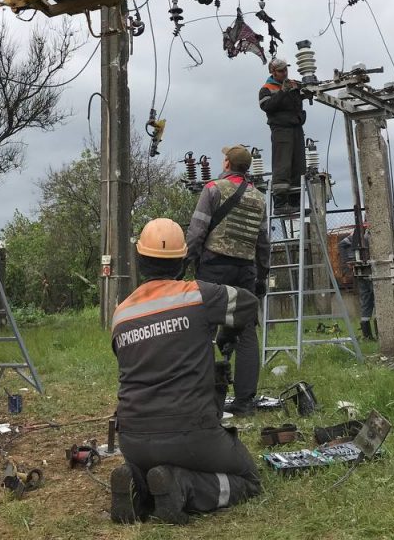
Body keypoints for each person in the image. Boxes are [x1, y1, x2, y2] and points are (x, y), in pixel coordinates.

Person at [110, 218, 262, 525]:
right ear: (183, 261)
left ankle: (138, 486)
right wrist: (224, 334)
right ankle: (181, 485)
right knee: (249, 480)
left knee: (152, 463)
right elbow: (248, 304)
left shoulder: (121, 313)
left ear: (140, 261)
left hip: (133, 438)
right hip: (192, 432)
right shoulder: (200, 296)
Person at [184, 145, 269, 417]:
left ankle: (202, 398)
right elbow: (263, 242)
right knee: (246, 333)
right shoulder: (259, 197)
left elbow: (197, 231)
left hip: (214, 267)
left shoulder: (213, 189)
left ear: (227, 162)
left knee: (203, 330)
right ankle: (244, 403)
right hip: (245, 269)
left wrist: (186, 262)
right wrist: (263, 275)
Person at [258, 57, 306, 209]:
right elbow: (268, 106)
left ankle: (295, 202)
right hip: (281, 130)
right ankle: (280, 203)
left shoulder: (291, 84)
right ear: (273, 72)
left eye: (286, 69)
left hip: (296, 128)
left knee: (298, 165)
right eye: (281, 71)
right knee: (282, 164)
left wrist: (301, 89)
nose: (285, 73)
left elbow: (298, 102)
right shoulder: (266, 89)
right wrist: (283, 92)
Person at [338, 226, 375, 341]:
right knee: (377, 299)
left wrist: (348, 261)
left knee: (365, 300)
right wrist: (348, 261)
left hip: (360, 271)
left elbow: (342, 244)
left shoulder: (358, 232)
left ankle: (367, 334)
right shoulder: (368, 232)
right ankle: (379, 333)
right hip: (371, 270)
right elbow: (343, 244)